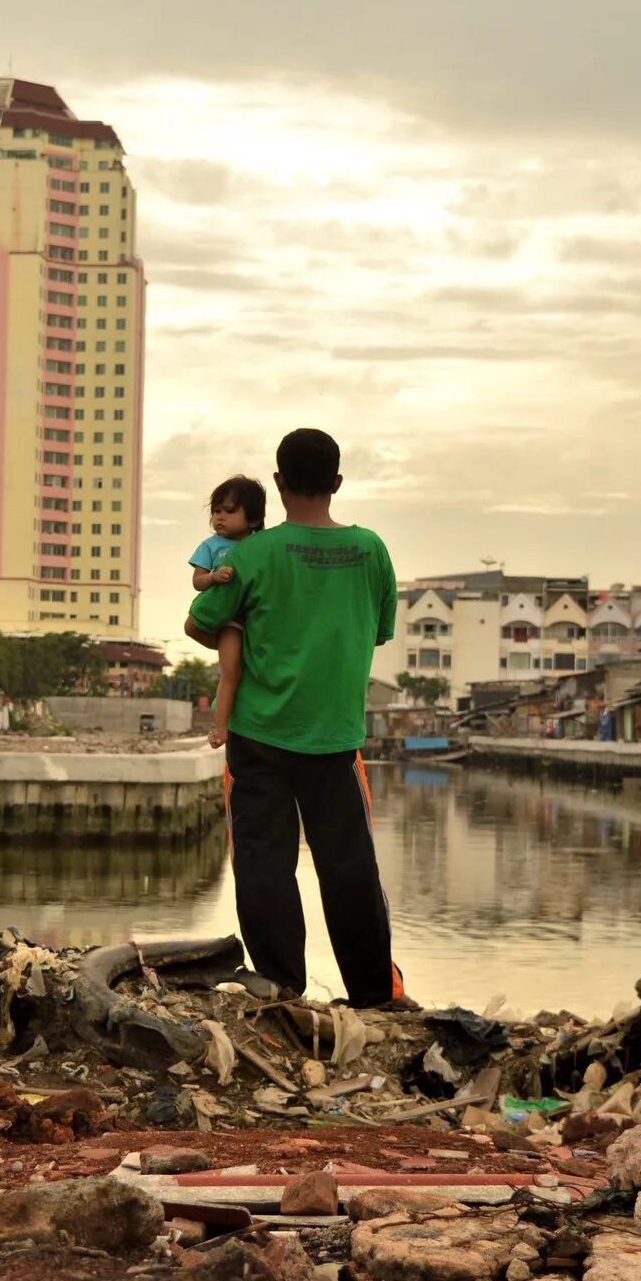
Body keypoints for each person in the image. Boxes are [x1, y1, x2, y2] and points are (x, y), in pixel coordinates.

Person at [185, 429, 410, 1009]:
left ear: (279, 484)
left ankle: (281, 987)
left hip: (258, 738)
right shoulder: (372, 550)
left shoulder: (250, 555)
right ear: (336, 484)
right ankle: (372, 994)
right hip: (335, 739)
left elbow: (202, 619)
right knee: (350, 867)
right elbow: (379, 629)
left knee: (264, 863)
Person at [189, 475, 267, 749]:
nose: (219, 517)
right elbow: (197, 582)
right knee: (230, 670)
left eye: (229, 511)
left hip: (260, 617)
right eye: (216, 511)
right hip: (231, 621)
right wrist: (213, 577)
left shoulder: (262, 544)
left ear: (254, 520)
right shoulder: (210, 546)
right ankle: (221, 727)